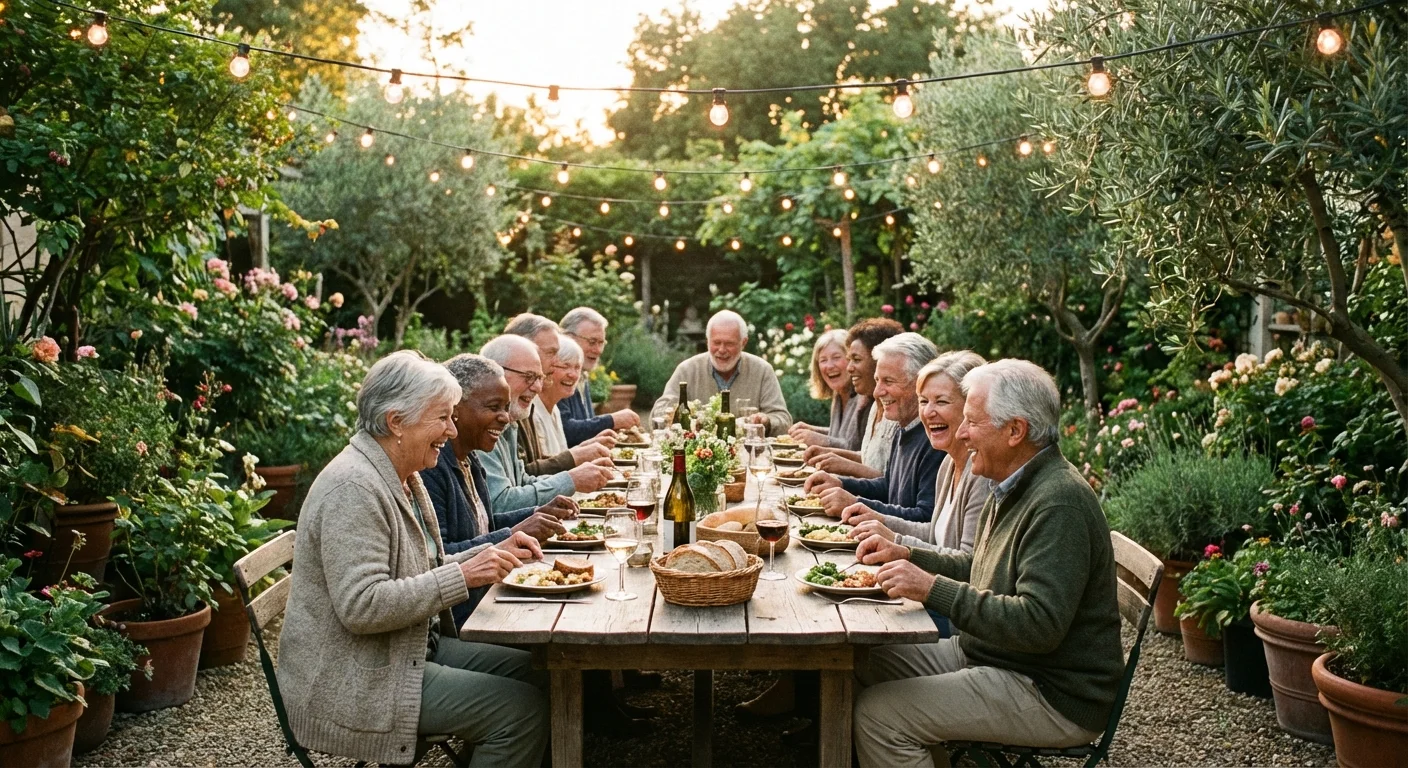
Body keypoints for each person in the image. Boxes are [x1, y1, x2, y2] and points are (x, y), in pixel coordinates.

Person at [277, 350, 549, 767]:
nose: (451, 429)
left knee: (544, 669)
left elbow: (420, 567)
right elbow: (362, 606)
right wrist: (464, 576)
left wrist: (489, 551)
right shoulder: (353, 488)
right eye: (442, 417)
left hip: (408, 649)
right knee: (519, 712)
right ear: (396, 422)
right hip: (361, 676)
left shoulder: (401, 474)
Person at [852, 359, 1123, 767]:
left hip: (1049, 689)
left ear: (1016, 431)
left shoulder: (1058, 503)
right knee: (857, 658)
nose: (961, 432)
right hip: (995, 656)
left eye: (972, 422)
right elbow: (980, 566)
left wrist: (930, 588)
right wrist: (907, 554)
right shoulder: (1013, 481)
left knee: (880, 717)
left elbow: (1038, 625)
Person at [422, 353, 579, 627]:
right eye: (494, 407)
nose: (505, 418)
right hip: (466, 618)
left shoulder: (469, 458)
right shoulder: (433, 466)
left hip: (487, 599)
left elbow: (484, 526)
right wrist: (514, 532)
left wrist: (536, 513)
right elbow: (441, 555)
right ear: (454, 408)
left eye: (506, 408)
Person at [844, 350, 991, 637]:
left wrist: (898, 543)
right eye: (924, 401)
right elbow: (933, 533)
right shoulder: (950, 461)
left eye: (941, 401)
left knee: (856, 623)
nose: (928, 412)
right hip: (937, 606)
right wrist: (881, 524)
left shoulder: (982, 473)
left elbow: (969, 564)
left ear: (971, 408)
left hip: (955, 623)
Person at [804, 332, 942, 522]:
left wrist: (854, 503)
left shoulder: (935, 439)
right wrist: (841, 483)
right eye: (877, 380)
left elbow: (925, 518)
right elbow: (889, 487)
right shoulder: (904, 427)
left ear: (921, 383)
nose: (877, 392)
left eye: (888, 381)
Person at [478, 335, 614, 511]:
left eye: (539, 378)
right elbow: (501, 504)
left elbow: (523, 481)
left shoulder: (510, 422)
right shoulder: (480, 426)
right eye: (528, 377)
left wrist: (572, 478)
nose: (537, 387)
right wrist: (571, 479)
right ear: (496, 372)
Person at [651, 309, 791, 435]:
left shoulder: (762, 370)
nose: (722, 350)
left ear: (743, 342)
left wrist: (767, 421)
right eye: (716, 343)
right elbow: (657, 414)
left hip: (749, 456)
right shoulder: (687, 370)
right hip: (697, 456)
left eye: (729, 344)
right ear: (707, 342)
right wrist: (669, 414)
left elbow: (783, 420)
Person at [503, 314, 613, 475]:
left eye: (577, 368)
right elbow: (524, 476)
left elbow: (531, 468)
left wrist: (583, 450)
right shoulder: (515, 405)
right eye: (551, 353)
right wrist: (576, 457)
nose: (556, 362)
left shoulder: (529, 403)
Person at [801, 318, 904, 479]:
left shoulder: (877, 404)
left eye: (854, 360)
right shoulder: (876, 404)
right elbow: (867, 457)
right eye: (823, 360)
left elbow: (889, 483)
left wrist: (829, 448)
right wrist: (828, 452)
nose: (849, 368)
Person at [558, 307, 640, 446]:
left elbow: (584, 427)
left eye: (601, 343)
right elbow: (565, 430)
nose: (597, 350)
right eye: (592, 342)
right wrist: (611, 420)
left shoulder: (583, 375)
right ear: (568, 337)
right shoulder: (558, 376)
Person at [788, 329, 866, 450]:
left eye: (836, 357)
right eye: (823, 360)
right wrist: (812, 430)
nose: (829, 366)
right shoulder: (838, 394)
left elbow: (856, 447)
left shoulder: (864, 396)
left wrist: (821, 439)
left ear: (852, 360)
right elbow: (840, 435)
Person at [531, 334, 583, 458]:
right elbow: (543, 468)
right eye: (565, 366)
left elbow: (560, 458)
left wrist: (591, 446)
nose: (574, 375)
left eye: (577, 367)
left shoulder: (554, 409)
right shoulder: (532, 412)